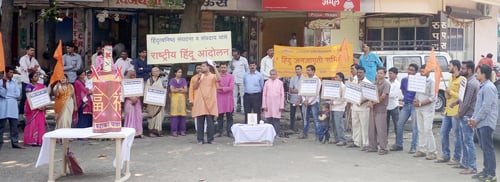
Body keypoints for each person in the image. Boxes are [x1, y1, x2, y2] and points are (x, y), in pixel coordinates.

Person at [449, 61, 479, 174]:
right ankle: (465, 163)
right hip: (465, 114)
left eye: (463, 68)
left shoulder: (471, 83)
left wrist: (459, 114)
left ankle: (472, 167)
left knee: (468, 142)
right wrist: (456, 102)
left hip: (468, 115)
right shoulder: (466, 81)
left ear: (470, 70)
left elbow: (467, 102)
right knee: (464, 140)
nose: (461, 70)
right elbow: (462, 97)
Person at [469, 64, 498, 182]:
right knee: (484, 148)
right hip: (481, 122)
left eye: (478, 72)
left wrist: (476, 119)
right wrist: (473, 119)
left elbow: (486, 108)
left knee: (488, 148)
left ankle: (492, 174)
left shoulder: (489, 87)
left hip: (486, 122)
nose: (476, 74)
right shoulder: (483, 86)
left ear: (484, 74)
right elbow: (478, 106)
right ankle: (486, 171)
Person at [436, 60, 465, 164]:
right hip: (448, 111)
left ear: (456, 67)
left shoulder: (462, 79)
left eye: (450, 66)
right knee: (443, 133)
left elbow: (462, 96)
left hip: (456, 111)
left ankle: (457, 158)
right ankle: (445, 155)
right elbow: (448, 96)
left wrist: (451, 92)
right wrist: (446, 94)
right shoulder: (450, 79)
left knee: (457, 136)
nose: (448, 67)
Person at [390, 64, 419, 153]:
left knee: (415, 127)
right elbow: (403, 91)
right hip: (406, 104)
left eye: (412, 70)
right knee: (399, 124)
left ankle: (413, 147)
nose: (410, 72)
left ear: (415, 72)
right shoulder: (404, 80)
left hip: (415, 106)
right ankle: (399, 144)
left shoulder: (418, 81)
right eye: (409, 69)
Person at [411, 64, 438, 160]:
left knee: (427, 129)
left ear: (429, 72)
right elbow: (416, 93)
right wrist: (415, 100)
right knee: (420, 129)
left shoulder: (432, 82)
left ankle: (432, 151)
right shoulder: (418, 80)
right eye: (421, 71)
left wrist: (421, 103)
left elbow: (433, 97)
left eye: (424, 71)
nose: (422, 73)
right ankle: (422, 149)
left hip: (428, 109)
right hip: (419, 108)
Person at [192, 62, 221, 144]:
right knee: (200, 122)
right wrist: (198, 78)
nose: (201, 68)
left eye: (203, 66)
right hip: (200, 102)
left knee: (210, 122)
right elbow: (194, 87)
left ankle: (210, 139)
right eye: (201, 66)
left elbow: (219, 79)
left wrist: (215, 68)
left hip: (210, 102)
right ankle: (200, 139)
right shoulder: (199, 76)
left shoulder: (212, 76)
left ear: (208, 67)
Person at [367, 67, 391, 155]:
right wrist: (370, 102)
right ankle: (372, 146)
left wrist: (373, 103)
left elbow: (383, 96)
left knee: (381, 129)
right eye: (378, 73)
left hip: (381, 108)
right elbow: (369, 94)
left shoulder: (386, 84)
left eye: (381, 73)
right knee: (371, 128)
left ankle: (384, 148)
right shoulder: (374, 83)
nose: (379, 75)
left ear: (384, 74)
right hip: (373, 108)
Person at [347, 65, 371, 149]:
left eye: (361, 72)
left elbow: (369, 96)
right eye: (358, 72)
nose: (359, 74)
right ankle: (357, 142)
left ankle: (366, 143)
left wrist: (362, 101)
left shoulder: (367, 83)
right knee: (355, 124)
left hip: (363, 107)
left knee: (364, 126)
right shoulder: (354, 81)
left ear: (364, 73)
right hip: (354, 106)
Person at [0, 66, 24, 149]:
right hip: (3, 106)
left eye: (12, 72)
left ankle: (15, 142)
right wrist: (4, 83)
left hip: (13, 106)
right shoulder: (0, 82)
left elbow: (18, 94)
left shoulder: (14, 82)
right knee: (1, 126)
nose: (11, 74)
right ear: (5, 73)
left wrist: (8, 95)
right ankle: (0, 142)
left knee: (14, 126)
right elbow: (2, 94)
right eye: (10, 72)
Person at [23, 72, 46, 146]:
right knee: (32, 123)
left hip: (41, 106)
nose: (37, 77)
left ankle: (40, 140)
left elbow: (44, 96)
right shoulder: (28, 87)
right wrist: (37, 106)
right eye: (35, 76)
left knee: (40, 123)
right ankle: (32, 140)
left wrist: (43, 105)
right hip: (31, 107)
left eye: (37, 76)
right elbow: (29, 97)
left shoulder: (41, 86)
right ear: (31, 78)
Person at [298, 65, 321, 140]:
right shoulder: (305, 80)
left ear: (313, 71)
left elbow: (316, 92)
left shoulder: (317, 80)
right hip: (305, 102)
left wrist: (310, 101)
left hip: (314, 102)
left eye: (309, 70)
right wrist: (304, 100)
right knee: (305, 119)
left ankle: (318, 135)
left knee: (316, 119)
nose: (307, 72)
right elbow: (302, 91)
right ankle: (305, 134)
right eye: (307, 70)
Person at [262, 69, 285, 137]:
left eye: (274, 74)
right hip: (268, 104)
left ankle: (276, 133)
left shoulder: (280, 83)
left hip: (277, 104)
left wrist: (281, 106)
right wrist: (264, 105)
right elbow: (264, 94)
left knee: (276, 119)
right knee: (269, 119)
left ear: (276, 75)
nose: (272, 76)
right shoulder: (267, 83)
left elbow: (282, 95)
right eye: (271, 74)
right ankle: (269, 134)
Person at [19, 46, 40, 115]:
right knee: (24, 98)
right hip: (25, 81)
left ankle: (32, 114)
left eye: (33, 50)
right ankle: (21, 115)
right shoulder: (23, 59)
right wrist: (33, 68)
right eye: (31, 50)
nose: (33, 52)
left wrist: (34, 69)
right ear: (27, 51)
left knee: (33, 98)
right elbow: (26, 69)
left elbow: (38, 68)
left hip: (33, 82)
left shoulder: (34, 59)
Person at [216, 62, 234, 138]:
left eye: (224, 67)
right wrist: (225, 89)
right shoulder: (217, 76)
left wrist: (222, 88)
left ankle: (229, 131)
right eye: (222, 67)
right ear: (219, 68)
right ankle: (219, 131)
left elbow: (231, 87)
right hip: (219, 98)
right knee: (220, 116)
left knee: (229, 116)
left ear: (227, 68)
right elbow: (216, 88)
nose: (223, 69)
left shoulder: (231, 76)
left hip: (228, 99)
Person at [146, 67, 166, 137]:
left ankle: (158, 131)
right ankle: (151, 131)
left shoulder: (161, 80)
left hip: (159, 102)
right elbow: (147, 90)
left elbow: (163, 89)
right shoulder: (149, 80)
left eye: (158, 71)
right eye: (156, 71)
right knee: (152, 116)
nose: (158, 72)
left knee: (159, 116)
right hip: (152, 102)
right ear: (153, 72)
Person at [123, 70, 144, 138]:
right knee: (130, 116)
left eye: (134, 75)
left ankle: (138, 132)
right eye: (131, 76)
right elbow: (124, 93)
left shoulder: (138, 82)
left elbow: (140, 91)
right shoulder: (125, 82)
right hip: (129, 101)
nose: (132, 77)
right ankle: (130, 133)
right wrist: (131, 99)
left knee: (138, 116)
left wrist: (136, 98)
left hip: (137, 101)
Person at [169, 68, 188, 137]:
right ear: (175, 73)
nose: (180, 73)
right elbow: (172, 90)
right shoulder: (172, 80)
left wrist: (176, 89)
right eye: (178, 72)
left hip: (182, 99)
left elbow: (185, 90)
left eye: (181, 72)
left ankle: (182, 131)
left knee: (182, 115)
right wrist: (180, 89)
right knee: (174, 115)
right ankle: (174, 131)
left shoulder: (183, 80)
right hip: (174, 99)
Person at [330, 72, 347, 146]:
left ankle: (342, 139)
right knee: (334, 124)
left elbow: (343, 99)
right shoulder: (335, 86)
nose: (335, 78)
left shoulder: (343, 87)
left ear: (341, 78)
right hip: (333, 107)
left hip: (339, 108)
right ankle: (337, 138)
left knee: (339, 124)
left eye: (337, 77)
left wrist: (334, 102)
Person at [288, 65, 303, 132]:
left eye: (298, 69)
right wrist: (299, 91)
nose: (297, 70)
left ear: (301, 70)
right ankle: (292, 128)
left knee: (303, 114)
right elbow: (291, 90)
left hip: (302, 98)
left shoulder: (305, 79)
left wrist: (297, 91)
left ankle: (304, 128)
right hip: (293, 98)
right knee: (292, 114)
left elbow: (304, 90)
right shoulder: (293, 78)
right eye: (296, 69)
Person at [344, 64, 359, 133]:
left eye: (353, 69)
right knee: (350, 119)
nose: (351, 70)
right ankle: (353, 136)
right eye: (351, 69)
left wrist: (352, 81)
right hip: (349, 101)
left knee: (355, 121)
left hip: (355, 102)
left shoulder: (357, 79)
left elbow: (356, 89)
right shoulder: (350, 78)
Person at [387, 67, 400, 138]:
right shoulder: (387, 82)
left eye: (391, 73)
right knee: (385, 125)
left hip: (394, 106)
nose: (389, 75)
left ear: (395, 74)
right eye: (389, 73)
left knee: (396, 125)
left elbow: (393, 95)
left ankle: (398, 141)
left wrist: (385, 94)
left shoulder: (397, 84)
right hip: (386, 106)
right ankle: (384, 140)